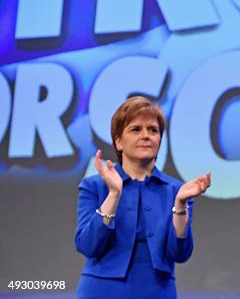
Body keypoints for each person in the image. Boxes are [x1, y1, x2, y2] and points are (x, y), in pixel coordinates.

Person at [75, 96, 211, 298]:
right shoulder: (94, 186)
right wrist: (113, 194)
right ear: (119, 142)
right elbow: (87, 245)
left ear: (159, 141)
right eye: (136, 129)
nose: (146, 135)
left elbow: (180, 254)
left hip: (157, 290)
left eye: (153, 130)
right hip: (101, 290)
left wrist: (180, 204)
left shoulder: (177, 191)